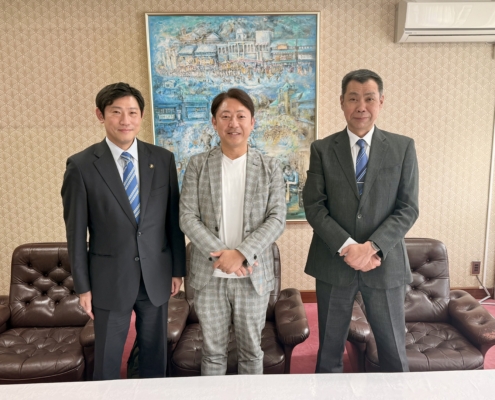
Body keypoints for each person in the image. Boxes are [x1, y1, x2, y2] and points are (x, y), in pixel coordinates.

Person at [61, 82, 186, 380]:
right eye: (116, 112)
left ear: (141, 116)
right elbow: (75, 234)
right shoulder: (81, 165)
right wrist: (83, 287)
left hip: (155, 276)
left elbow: (173, 221)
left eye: (132, 112)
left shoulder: (163, 159)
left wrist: (177, 270)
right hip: (109, 280)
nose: (125, 120)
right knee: (107, 362)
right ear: (100, 115)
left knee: (155, 360)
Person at [303, 69, 419, 373]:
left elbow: (408, 208)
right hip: (333, 264)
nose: (361, 106)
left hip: (384, 264)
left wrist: (371, 247)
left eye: (369, 98)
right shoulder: (322, 149)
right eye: (353, 98)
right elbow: (314, 206)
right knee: (329, 355)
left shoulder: (402, 147)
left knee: (394, 354)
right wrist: (347, 247)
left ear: (381, 101)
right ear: (342, 102)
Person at [179, 88, 286, 375]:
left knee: (251, 352)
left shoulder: (270, 167)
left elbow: (277, 219)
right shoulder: (198, 165)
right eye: (225, 116)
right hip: (209, 277)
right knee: (213, 353)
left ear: (252, 122)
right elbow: (187, 217)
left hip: (252, 275)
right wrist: (222, 256)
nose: (233, 123)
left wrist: (240, 253)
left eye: (241, 116)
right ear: (214, 122)